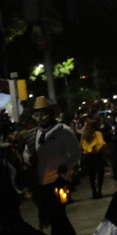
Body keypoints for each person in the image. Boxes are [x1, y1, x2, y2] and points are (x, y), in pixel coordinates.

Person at [22, 96, 80, 235]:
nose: (40, 118)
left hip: (59, 180)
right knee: (54, 216)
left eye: (44, 113)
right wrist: (29, 158)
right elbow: (25, 153)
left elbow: (76, 153)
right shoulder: (31, 135)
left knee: (58, 215)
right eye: (37, 114)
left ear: (51, 114)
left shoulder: (62, 130)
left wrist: (66, 166)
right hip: (40, 183)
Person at [80, 120, 107, 199]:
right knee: (100, 173)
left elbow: (81, 147)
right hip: (96, 156)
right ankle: (99, 190)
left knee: (91, 175)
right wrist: (104, 152)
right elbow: (102, 144)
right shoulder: (97, 133)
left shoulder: (84, 135)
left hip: (87, 157)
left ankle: (93, 191)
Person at [101, 112, 117, 179]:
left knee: (116, 157)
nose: (113, 118)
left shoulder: (114, 122)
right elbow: (102, 134)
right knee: (113, 158)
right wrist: (110, 132)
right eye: (112, 117)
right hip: (110, 143)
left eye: (114, 117)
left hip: (115, 142)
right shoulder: (105, 124)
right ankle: (116, 174)